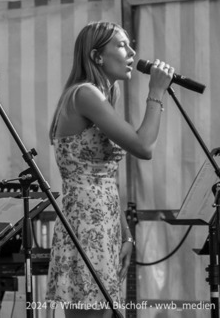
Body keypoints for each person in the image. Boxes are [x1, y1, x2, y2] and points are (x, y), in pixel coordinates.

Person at [45, 21, 174, 318]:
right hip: (86, 223)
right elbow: (143, 147)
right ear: (97, 56)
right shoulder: (85, 94)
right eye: (122, 45)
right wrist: (156, 91)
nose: (132, 53)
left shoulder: (103, 95)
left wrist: (125, 234)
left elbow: (104, 179)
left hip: (104, 221)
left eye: (130, 45)